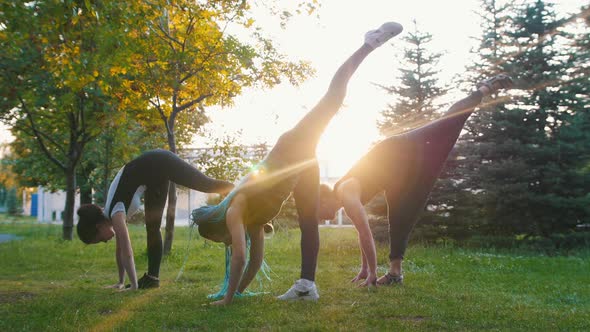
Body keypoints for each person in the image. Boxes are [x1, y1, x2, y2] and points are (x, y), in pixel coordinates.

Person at [193, 21, 404, 305]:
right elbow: (255, 262)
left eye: (221, 240)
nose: (227, 243)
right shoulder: (253, 221)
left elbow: (241, 256)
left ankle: (368, 44)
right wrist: (238, 292)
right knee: (309, 219)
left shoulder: (235, 208)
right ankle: (307, 286)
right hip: (299, 168)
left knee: (332, 100)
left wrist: (227, 300)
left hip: (290, 147)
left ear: (218, 226)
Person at [318, 74, 514, 286]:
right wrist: (365, 269)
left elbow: (366, 233)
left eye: (316, 210)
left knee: (447, 123)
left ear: (322, 200)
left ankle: (483, 89)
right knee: (402, 213)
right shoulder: (345, 198)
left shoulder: (345, 192)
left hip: (396, 151)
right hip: (395, 175)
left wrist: (373, 272)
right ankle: (395, 273)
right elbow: (361, 233)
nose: (319, 217)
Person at [76, 149, 234, 290]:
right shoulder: (111, 214)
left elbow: (127, 252)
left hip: (160, 161)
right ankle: (152, 279)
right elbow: (120, 251)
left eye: (99, 239)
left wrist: (134, 286)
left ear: (98, 227)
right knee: (152, 227)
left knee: (206, 184)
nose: (105, 241)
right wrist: (120, 282)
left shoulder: (115, 213)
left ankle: (240, 192)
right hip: (152, 179)